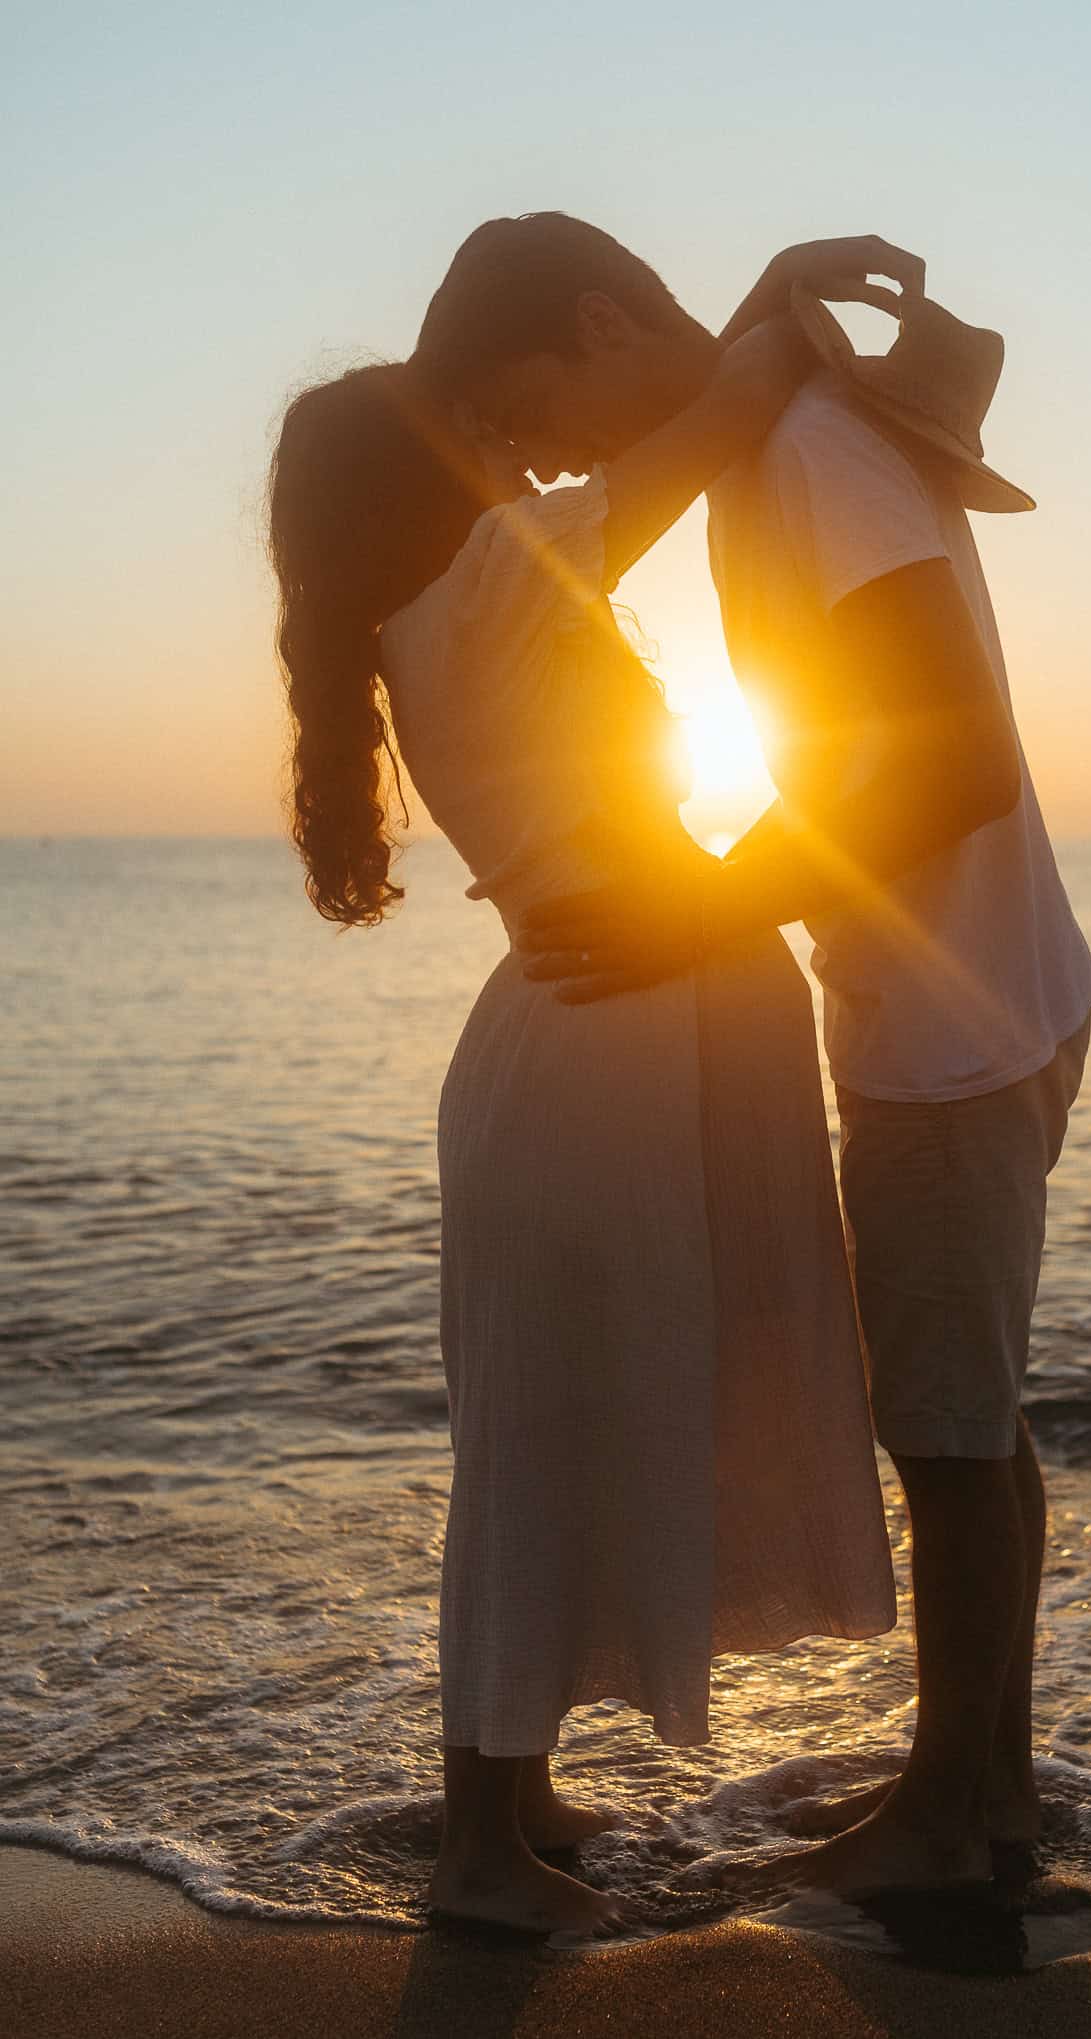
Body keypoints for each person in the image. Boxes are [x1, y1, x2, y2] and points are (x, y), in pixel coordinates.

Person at [416, 214, 1091, 1901]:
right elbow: (695, 399)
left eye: (528, 413)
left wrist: (698, 910)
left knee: (944, 1430)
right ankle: (983, 1796)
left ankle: (948, 1821)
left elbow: (947, 764)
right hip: (971, 982)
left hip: (947, 1013)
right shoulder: (772, 441)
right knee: (969, 1416)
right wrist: (764, 306)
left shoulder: (803, 463)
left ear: (591, 325)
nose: (540, 459)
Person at [266, 242, 907, 1937]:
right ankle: (482, 1855)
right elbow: (739, 397)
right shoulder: (496, 576)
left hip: (590, 1052)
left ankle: (511, 1788)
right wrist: (772, 287)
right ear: (431, 485)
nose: (521, 457)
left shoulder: (437, 622)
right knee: (545, 1448)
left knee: (542, 1437)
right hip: (604, 1059)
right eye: (479, 440)